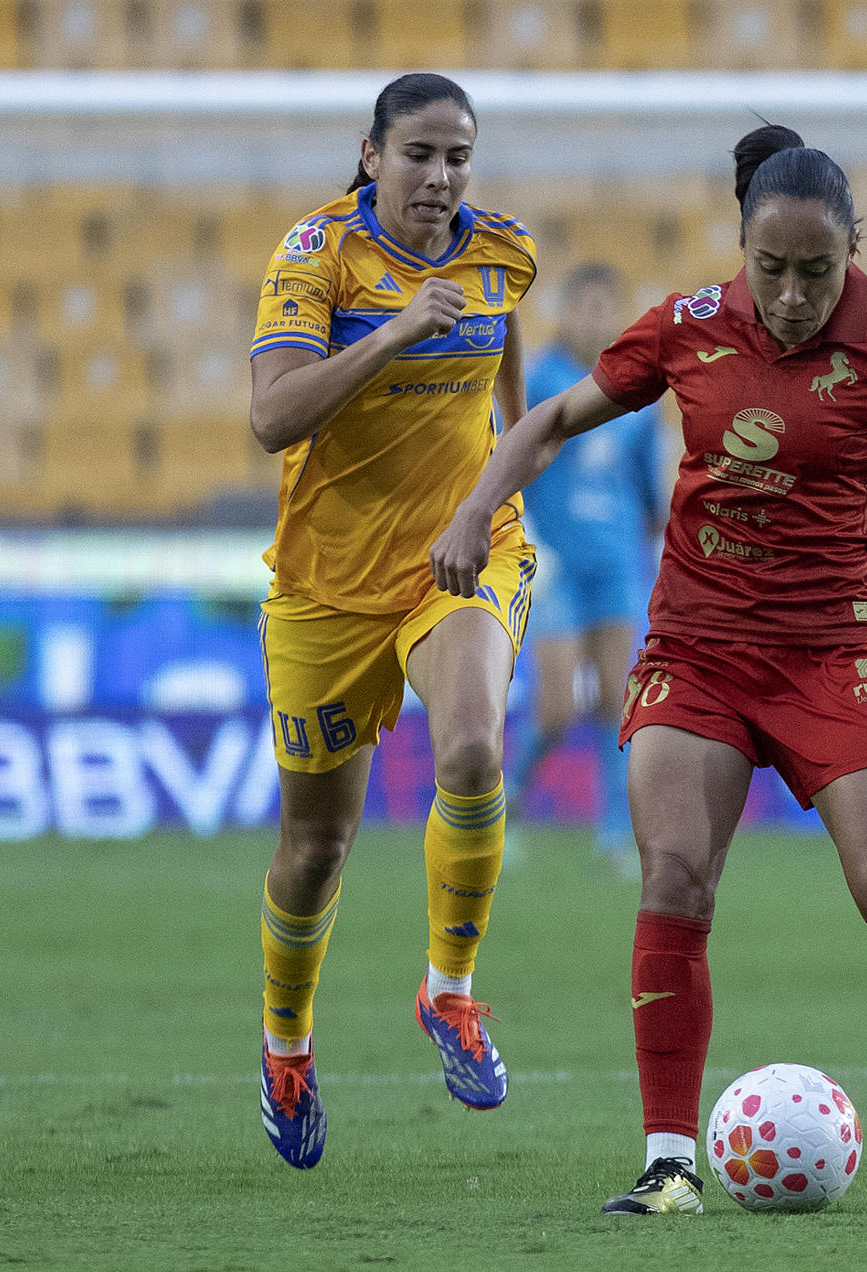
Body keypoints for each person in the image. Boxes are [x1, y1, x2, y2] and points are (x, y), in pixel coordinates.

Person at [433, 124, 867, 1214]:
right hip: (699, 645)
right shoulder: (688, 326)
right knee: (675, 875)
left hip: (836, 650)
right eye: (772, 269)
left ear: (855, 247)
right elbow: (555, 418)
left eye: (818, 269)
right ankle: (669, 1161)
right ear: (742, 249)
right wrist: (479, 505)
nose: (795, 295)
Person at [246, 73, 538, 1170]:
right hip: (327, 584)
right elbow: (272, 417)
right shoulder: (315, 255)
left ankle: (449, 991)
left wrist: (487, 500)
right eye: (419, 153)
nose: (441, 176)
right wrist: (398, 331)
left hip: (460, 552)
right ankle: (286, 1045)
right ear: (371, 155)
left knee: (471, 747)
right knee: (315, 848)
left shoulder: (503, 254)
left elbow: (511, 405)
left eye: (458, 156)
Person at [514, 263, 666, 863]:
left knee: (614, 700)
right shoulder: (539, 379)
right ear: (567, 312)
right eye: (586, 307)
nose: (595, 318)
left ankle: (614, 835)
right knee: (556, 706)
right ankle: (502, 809)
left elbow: (649, 491)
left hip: (616, 564)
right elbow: (512, 461)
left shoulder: (639, 392)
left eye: (606, 308)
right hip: (555, 565)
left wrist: (650, 544)